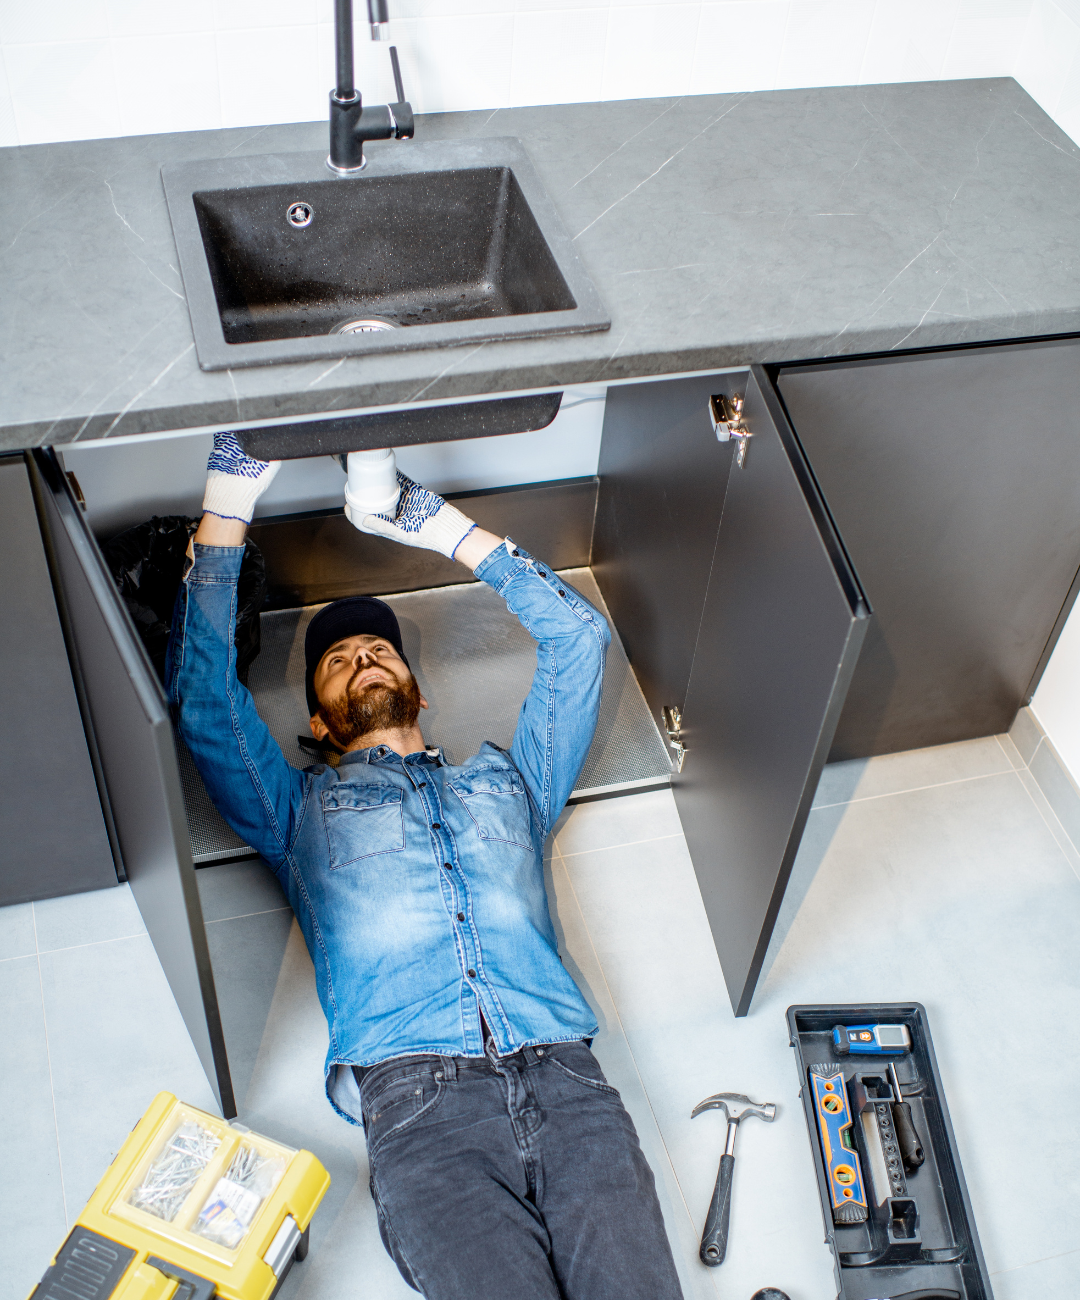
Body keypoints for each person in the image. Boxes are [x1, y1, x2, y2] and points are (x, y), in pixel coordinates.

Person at [167, 433, 684, 1300]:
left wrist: (435, 524)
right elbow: (208, 700)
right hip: (420, 1107)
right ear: (324, 726)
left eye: (377, 649)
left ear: (419, 687)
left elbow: (578, 641)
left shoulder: (511, 782)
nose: (362, 656)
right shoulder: (299, 813)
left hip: (568, 1080)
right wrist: (226, 512)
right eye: (336, 662)